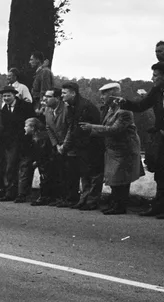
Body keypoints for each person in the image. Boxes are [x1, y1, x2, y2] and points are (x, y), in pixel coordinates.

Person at [80, 83, 143, 215]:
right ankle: (116, 205)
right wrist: (92, 130)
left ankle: (119, 206)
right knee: (116, 179)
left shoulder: (124, 111)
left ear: (114, 94)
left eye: (104, 93)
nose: (101, 96)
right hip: (115, 150)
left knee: (121, 179)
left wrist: (92, 128)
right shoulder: (111, 109)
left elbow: (115, 130)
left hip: (124, 150)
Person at [120, 61, 164, 216]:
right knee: (160, 172)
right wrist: (125, 103)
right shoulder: (157, 91)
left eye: (156, 75)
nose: (152, 78)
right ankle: (158, 207)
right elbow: (141, 106)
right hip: (161, 137)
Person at [59, 81, 102, 209]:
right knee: (84, 173)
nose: (62, 96)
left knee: (93, 174)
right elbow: (72, 128)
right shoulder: (72, 106)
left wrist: (66, 145)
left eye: (64, 93)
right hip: (82, 145)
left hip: (92, 144)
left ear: (73, 93)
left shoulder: (83, 106)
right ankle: (84, 200)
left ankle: (91, 201)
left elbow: (77, 129)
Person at [0, 85, 32, 202]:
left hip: (24, 142)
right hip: (10, 144)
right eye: (4, 96)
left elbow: (31, 123)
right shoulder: (4, 110)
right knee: (10, 168)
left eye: (8, 96)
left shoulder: (25, 107)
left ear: (15, 95)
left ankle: (22, 194)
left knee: (24, 169)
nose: (6, 98)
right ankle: (10, 193)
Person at [37, 88, 67, 206]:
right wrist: (56, 144)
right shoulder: (48, 110)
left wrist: (64, 144)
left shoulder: (66, 109)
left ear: (57, 98)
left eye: (48, 96)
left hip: (67, 144)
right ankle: (53, 197)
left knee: (66, 173)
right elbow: (48, 128)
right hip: (56, 145)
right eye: (45, 95)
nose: (45, 98)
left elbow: (69, 128)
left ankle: (65, 198)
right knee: (54, 171)